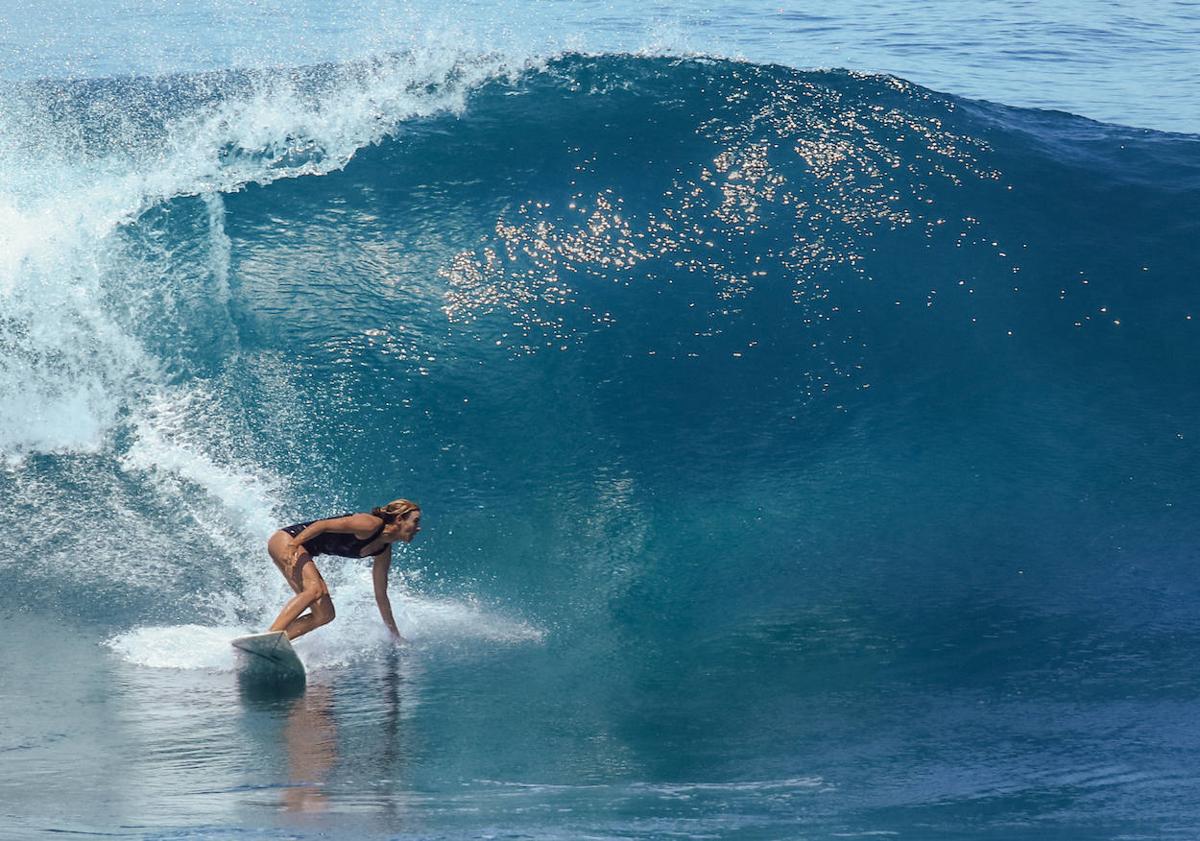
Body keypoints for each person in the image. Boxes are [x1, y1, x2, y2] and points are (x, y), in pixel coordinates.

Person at [267, 498, 421, 641]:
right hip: (288, 540)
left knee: (325, 614)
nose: (418, 528)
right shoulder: (370, 524)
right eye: (415, 521)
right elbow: (322, 525)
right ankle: (271, 636)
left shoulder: (382, 550)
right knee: (315, 590)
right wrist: (293, 546)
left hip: (301, 548)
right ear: (399, 519)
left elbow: (381, 595)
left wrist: (394, 635)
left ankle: (277, 641)